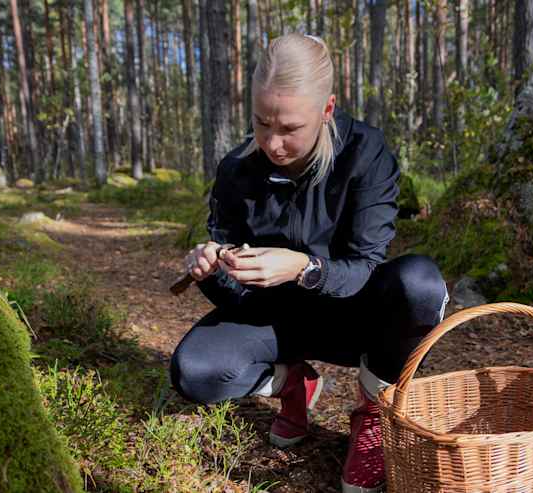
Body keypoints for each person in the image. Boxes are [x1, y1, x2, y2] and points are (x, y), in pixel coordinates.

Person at [171, 33, 449, 493]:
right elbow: (238, 300)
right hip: (275, 319)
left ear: (327, 109)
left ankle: (374, 415)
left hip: (353, 314)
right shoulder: (237, 169)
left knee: (419, 283)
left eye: (289, 128)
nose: (273, 143)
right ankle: (293, 385)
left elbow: (365, 265)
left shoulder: (366, 154)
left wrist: (303, 267)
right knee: (195, 372)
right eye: (262, 124)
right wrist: (212, 270)